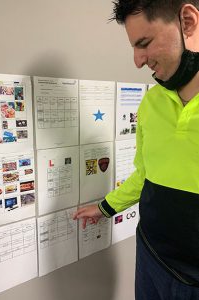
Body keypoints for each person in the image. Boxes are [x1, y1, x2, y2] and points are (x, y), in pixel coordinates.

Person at [73, 0, 199, 299]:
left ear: (188, 22)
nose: (138, 61)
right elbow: (145, 174)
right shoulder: (151, 103)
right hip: (151, 256)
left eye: (144, 43)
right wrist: (106, 207)